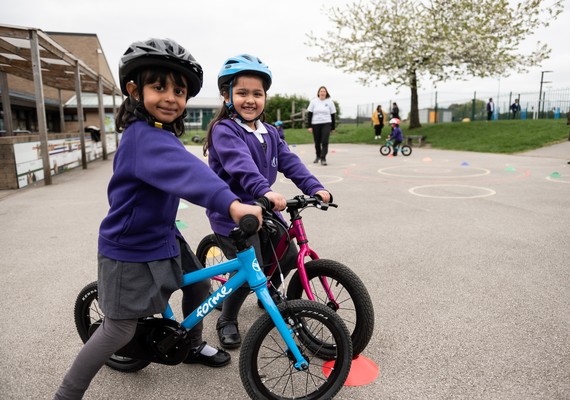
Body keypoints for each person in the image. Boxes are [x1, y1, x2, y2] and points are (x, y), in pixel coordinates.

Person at [54, 39, 262, 400]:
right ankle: (67, 393)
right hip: (129, 246)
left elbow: (187, 171)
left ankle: (192, 346)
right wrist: (232, 204)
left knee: (198, 287)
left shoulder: (161, 133)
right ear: (134, 90)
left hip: (163, 235)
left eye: (179, 90)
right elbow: (190, 172)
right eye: (159, 86)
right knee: (118, 330)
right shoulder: (142, 138)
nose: (170, 97)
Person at [202, 54, 332, 350]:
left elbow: (291, 162)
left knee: (287, 255)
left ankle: (269, 291)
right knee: (252, 270)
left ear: (265, 97)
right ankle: (227, 318)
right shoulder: (225, 130)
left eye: (257, 94)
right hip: (233, 212)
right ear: (227, 96)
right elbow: (241, 166)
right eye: (242, 93)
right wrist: (265, 190)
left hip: (265, 208)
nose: (250, 100)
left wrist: (315, 186)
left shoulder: (270, 132)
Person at [307, 86, 336, 165]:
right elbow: (309, 114)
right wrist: (309, 126)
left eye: (324, 91)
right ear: (318, 93)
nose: (322, 93)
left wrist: (333, 128)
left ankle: (323, 158)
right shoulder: (314, 101)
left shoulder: (330, 102)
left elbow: (333, 115)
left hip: (326, 123)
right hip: (315, 123)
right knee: (317, 142)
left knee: (325, 141)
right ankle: (318, 156)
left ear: (326, 93)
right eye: (321, 91)